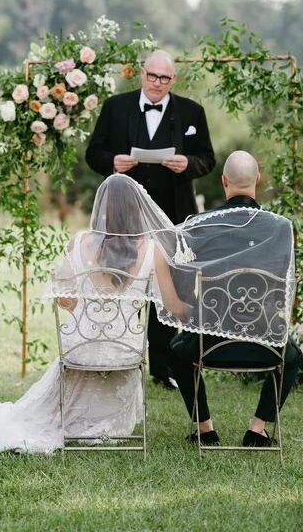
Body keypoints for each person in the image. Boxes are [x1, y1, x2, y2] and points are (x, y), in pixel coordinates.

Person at [0, 175, 190, 454]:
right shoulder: (153, 250)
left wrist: (87, 316)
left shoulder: (79, 242)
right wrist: (195, 306)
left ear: (100, 207)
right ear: (137, 207)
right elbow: (173, 307)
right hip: (126, 351)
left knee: (70, 353)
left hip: (80, 347)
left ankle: (70, 417)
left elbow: (62, 296)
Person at [85, 49, 215, 390]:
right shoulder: (116, 107)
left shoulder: (191, 111)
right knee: (120, 283)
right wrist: (113, 161)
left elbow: (208, 158)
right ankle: (115, 357)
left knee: (169, 287)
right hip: (122, 218)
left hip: (173, 216)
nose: (157, 83)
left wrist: (188, 164)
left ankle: (165, 367)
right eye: (151, 75)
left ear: (174, 79)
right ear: (141, 74)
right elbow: (92, 152)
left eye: (164, 78)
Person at [166, 150, 303, 447]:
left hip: (208, 343)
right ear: (257, 180)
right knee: (292, 357)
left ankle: (205, 430)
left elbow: (181, 282)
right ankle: (257, 429)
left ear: (224, 181)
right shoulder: (281, 227)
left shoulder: (199, 224)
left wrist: (193, 315)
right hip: (265, 343)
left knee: (176, 350)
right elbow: (286, 289)